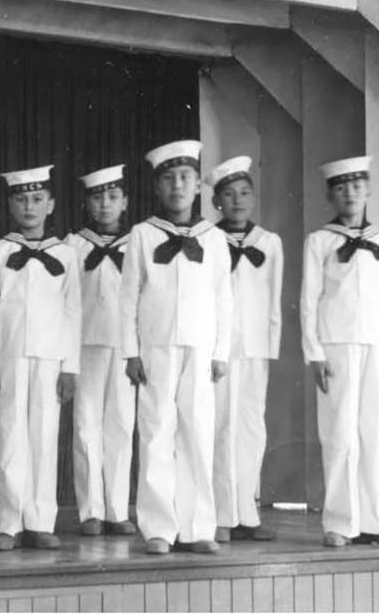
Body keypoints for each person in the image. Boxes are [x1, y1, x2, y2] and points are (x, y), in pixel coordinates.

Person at [121, 140, 232, 555]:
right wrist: (130, 352)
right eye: (168, 178)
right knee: (155, 434)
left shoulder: (214, 238)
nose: (177, 185)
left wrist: (221, 352)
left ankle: (198, 525)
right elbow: (128, 297)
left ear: (198, 186)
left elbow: (225, 298)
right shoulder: (142, 234)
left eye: (185, 177)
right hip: (156, 347)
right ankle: (158, 528)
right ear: (157, 187)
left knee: (198, 434)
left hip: (201, 349)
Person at [0, 165, 81, 552]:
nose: (29, 206)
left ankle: (40, 521)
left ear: (50, 204)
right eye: (21, 199)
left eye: (37, 199)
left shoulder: (66, 255)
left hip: (50, 359)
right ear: (10, 205)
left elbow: (73, 313)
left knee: (44, 438)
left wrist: (70, 367)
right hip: (10, 356)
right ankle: (9, 522)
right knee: (10, 436)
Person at [301, 155, 379, 548]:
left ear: (369, 190)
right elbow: (309, 300)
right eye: (342, 188)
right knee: (340, 434)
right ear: (331, 194)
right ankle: (340, 522)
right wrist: (315, 352)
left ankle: (374, 520)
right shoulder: (320, 241)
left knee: (372, 433)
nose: (350, 194)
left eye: (357, 186)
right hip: (336, 345)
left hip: (376, 344)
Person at [205, 156, 283, 543]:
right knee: (219, 426)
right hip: (218, 350)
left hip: (254, 349)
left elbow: (273, 301)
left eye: (244, 193)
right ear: (217, 201)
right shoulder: (207, 239)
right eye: (229, 194)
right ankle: (221, 513)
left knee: (251, 427)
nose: (237, 200)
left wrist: (269, 347)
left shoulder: (269, 242)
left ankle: (247, 513)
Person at [65, 164, 136, 537]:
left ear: (124, 201)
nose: (105, 204)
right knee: (86, 426)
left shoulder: (137, 243)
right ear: (87, 203)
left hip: (125, 347)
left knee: (121, 426)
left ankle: (117, 509)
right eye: (97, 197)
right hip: (85, 345)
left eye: (112, 197)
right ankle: (90, 510)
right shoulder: (73, 246)